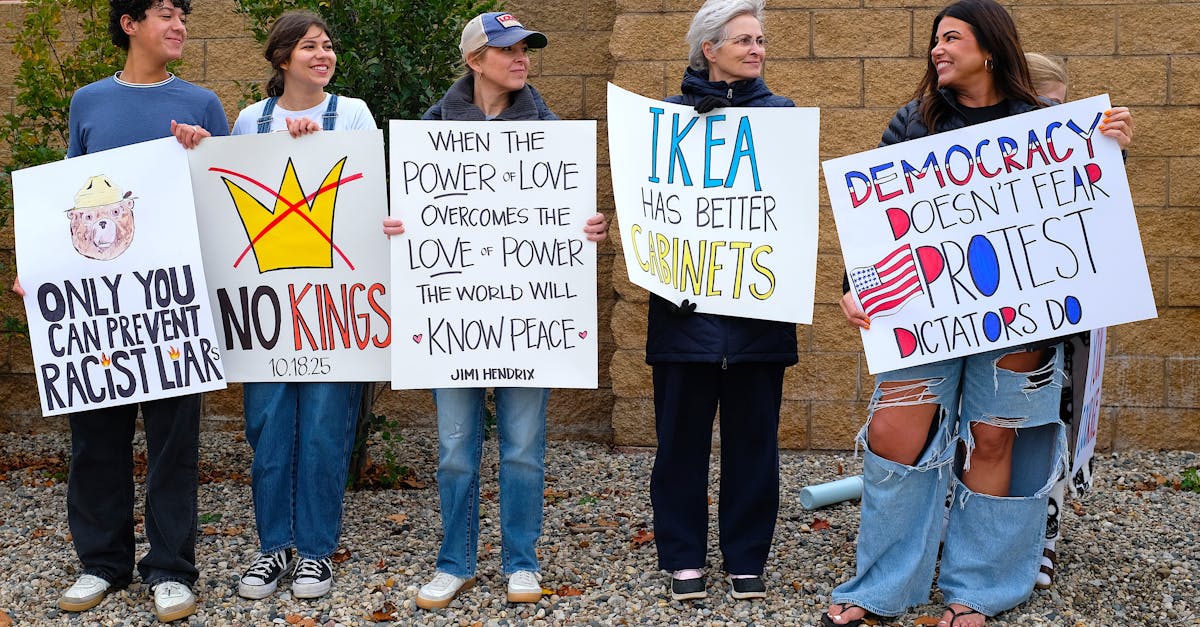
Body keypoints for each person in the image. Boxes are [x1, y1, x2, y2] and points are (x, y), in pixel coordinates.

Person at [823, 2, 1133, 626]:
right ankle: (880, 586)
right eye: (935, 41)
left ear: (989, 48)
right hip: (921, 313)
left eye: (951, 38)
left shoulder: (1044, 126)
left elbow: (1084, 209)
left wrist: (1111, 149)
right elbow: (876, 227)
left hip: (1024, 319)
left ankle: (980, 588)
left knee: (996, 435)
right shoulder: (912, 123)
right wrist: (856, 287)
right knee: (896, 437)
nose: (937, 49)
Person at [380, 11, 609, 609]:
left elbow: (570, 217)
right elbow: (405, 213)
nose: (521, 58)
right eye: (507, 49)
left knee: (523, 447)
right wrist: (396, 225)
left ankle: (521, 562)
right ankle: (454, 562)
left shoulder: (552, 132)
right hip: (453, 323)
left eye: (527, 48)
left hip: (528, 325)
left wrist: (588, 228)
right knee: (456, 449)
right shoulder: (429, 132)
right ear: (475, 60)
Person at [10, 0, 227, 622]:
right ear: (129, 24)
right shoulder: (88, 103)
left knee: (173, 441)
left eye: (183, 14)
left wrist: (206, 151)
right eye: (165, 13)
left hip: (171, 307)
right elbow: (68, 201)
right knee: (96, 439)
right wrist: (44, 274)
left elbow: (228, 198)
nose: (179, 24)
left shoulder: (203, 104)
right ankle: (101, 563)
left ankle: (170, 570)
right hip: (100, 311)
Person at [643, 0, 798, 603]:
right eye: (743, 40)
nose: (757, 49)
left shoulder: (782, 118)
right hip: (684, 317)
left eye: (760, 40)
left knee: (754, 444)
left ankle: (746, 558)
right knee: (679, 444)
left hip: (759, 314)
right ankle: (682, 558)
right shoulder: (665, 121)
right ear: (710, 49)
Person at [228, 11, 376, 601]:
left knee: (322, 429)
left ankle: (315, 552)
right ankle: (274, 550)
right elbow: (226, 200)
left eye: (328, 46)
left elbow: (367, 195)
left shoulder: (354, 114)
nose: (324, 55)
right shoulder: (249, 120)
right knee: (267, 430)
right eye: (310, 47)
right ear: (282, 57)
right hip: (266, 307)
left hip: (330, 308)